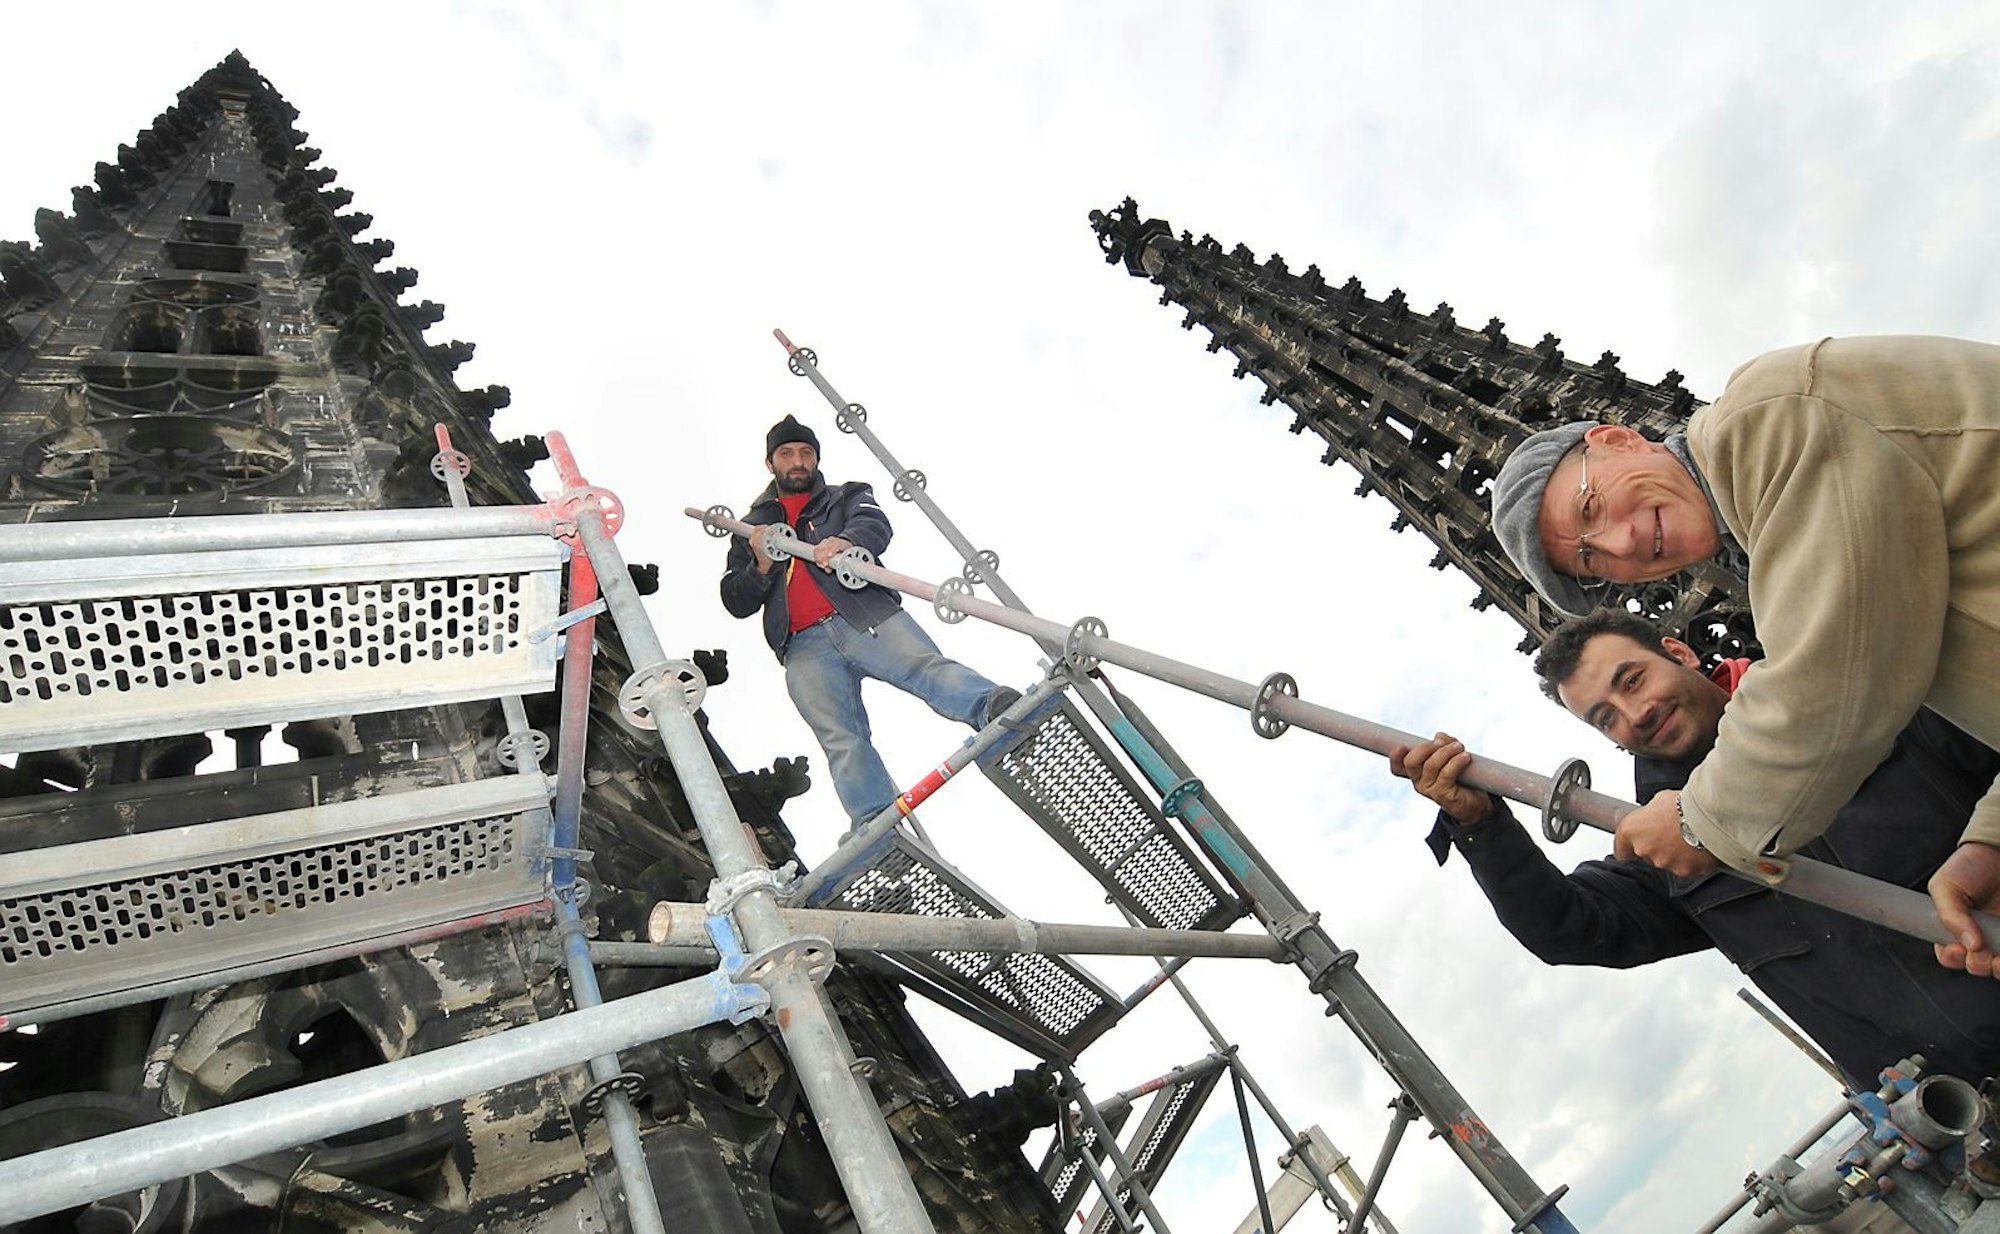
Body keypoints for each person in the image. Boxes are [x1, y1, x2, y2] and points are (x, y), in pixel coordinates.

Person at [1486, 336, 2000, 976]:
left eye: (1590, 506)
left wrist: (1704, 820)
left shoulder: (1764, 421)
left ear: (1618, 439)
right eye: (1591, 561)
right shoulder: (1772, 543)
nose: (1620, 543)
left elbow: (1835, 677)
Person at [1390, 608, 2000, 1086]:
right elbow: (1566, 928)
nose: (1636, 713)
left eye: (1634, 681)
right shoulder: (1662, 852)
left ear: (1679, 653)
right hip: (1962, 1111)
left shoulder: (1853, 693)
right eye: (1605, 718)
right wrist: (1481, 825)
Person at [720, 415, 1019, 829]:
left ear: (817, 458)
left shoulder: (845, 495)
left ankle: (991, 707)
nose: (798, 461)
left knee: (925, 668)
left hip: (865, 617)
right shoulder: (749, 529)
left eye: (806, 453)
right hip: (803, 647)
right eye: (787, 454)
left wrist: (847, 541)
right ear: (770, 464)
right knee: (840, 738)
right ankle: (875, 821)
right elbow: (734, 599)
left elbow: (874, 524)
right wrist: (761, 563)